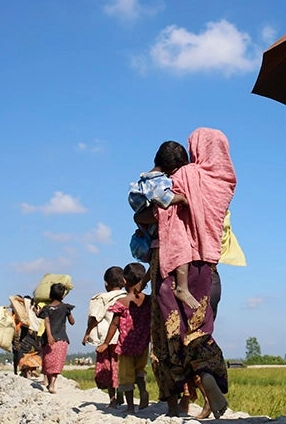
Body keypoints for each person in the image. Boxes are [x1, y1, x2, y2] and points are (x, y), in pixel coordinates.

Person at [136, 128, 235, 418]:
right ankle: (207, 379)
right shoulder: (225, 182)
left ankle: (174, 403)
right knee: (200, 329)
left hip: (172, 263)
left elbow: (150, 213)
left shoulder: (180, 177)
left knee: (167, 332)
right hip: (207, 267)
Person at [129, 142, 199, 310]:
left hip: (150, 233)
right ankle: (182, 288)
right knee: (182, 248)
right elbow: (162, 198)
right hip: (157, 232)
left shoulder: (145, 179)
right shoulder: (158, 181)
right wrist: (182, 199)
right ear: (173, 168)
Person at [97, 262, 152, 413]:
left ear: (125, 281)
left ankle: (130, 406)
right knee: (140, 371)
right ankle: (143, 392)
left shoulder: (122, 302)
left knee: (126, 376)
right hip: (143, 344)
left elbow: (114, 324)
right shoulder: (149, 300)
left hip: (126, 346)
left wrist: (106, 343)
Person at [83, 266, 128, 407]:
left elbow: (95, 317)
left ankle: (113, 399)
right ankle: (121, 395)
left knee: (108, 367)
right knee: (120, 367)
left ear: (106, 283)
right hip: (123, 338)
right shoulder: (127, 296)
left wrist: (87, 332)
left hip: (106, 339)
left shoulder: (102, 298)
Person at [38, 282, 75, 394]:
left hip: (47, 339)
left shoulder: (46, 309)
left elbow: (46, 320)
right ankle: (52, 384)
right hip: (61, 338)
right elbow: (72, 322)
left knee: (48, 362)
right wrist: (69, 313)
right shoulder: (65, 307)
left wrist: (49, 335)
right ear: (63, 295)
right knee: (57, 363)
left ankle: (51, 384)